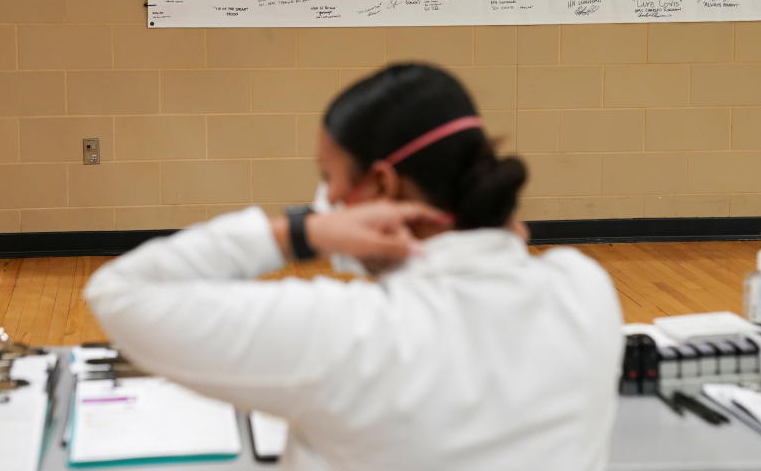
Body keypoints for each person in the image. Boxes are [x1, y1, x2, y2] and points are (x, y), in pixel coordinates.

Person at [84, 63, 624, 471]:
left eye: (331, 176)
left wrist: (300, 232)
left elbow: (122, 291)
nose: (329, 196)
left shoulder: (348, 332)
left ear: (384, 187)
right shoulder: (585, 288)